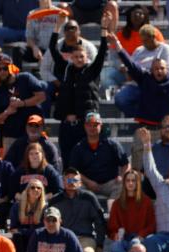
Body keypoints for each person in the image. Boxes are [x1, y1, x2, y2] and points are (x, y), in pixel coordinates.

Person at [49, 19, 110, 160]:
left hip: (87, 126)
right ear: (71, 57)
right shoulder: (66, 69)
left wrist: (104, 30)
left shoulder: (92, 70)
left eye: (81, 56)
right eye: (75, 57)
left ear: (86, 57)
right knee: (67, 159)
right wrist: (57, 27)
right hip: (68, 125)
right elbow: (53, 48)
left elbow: (102, 53)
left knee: (87, 159)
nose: (78, 59)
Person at [67, 112, 129, 201]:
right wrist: (88, 182)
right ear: (85, 126)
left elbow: (126, 164)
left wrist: (122, 177)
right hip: (87, 185)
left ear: (101, 126)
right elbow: (73, 171)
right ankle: (84, 212)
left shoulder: (112, 144)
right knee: (71, 182)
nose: (92, 127)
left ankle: (113, 209)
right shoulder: (78, 147)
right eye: (89, 125)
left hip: (110, 183)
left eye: (95, 125)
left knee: (125, 183)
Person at [48, 168, 106, 252]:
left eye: (75, 180)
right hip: (62, 238)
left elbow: (100, 221)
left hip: (85, 238)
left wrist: (100, 244)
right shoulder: (55, 201)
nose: (72, 182)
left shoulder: (89, 198)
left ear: (80, 183)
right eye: (68, 180)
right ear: (63, 182)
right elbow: (48, 223)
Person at [0, 55, 46, 150]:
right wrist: (7, 112)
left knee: (36, 162)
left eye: (5, 68)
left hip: (33, 132)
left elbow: (41, 96)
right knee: (11, 164)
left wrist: (22, 103)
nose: (2, 72)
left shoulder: (25, 78)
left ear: (12, 67)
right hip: (11, 136)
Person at [107, 169, 155, 252]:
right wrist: (115, 235)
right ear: (124, 183)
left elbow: (151, 225)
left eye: (133, 181)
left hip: (140, 238)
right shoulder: (117, 203)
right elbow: (111, 227)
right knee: (115, 246)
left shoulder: (146, 201)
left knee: (134, 244)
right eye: (128, 180)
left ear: (138, 183)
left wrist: (141, 235)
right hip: (123, 238)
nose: (130, 183)